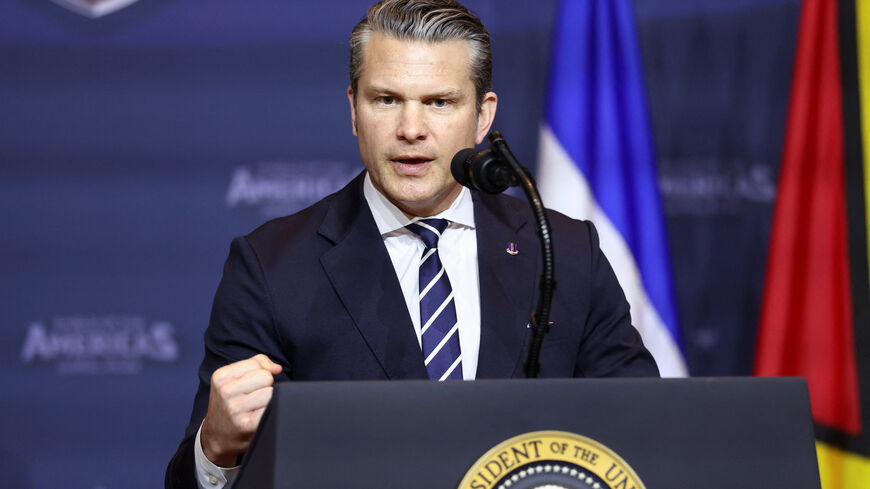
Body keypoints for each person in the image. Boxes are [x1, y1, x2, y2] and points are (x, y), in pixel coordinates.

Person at [165, 1, 658, 488]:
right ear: (354, 110)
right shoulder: (273, 265)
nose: (411, 130)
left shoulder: (564, 252)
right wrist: (216, 448)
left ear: (482, 117)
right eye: (386, 100)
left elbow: (645, 434)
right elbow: (195, 479)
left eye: (439, 102)